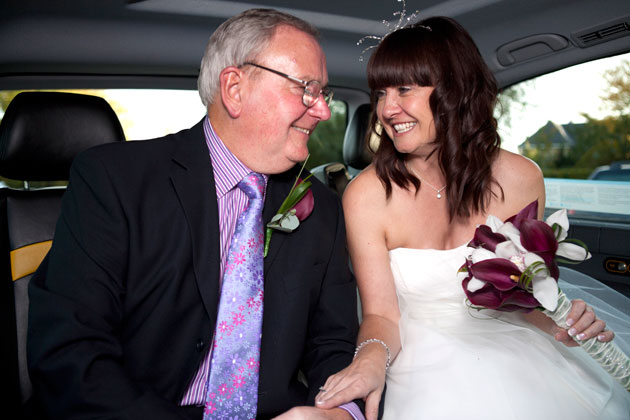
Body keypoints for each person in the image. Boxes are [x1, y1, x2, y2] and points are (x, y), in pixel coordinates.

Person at [27, 9, 369, 420]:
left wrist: (342, 412)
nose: (322, 111)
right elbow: (72, 355)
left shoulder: (321, 207)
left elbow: (331, 344)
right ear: (235, 88)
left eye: (323, 93)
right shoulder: (114, 181)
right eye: (305, 89)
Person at [313, 16, 630, 420]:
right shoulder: (366, 196)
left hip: (518, 350)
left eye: (405, 89)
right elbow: (381, 315)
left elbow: (526, 297)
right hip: (420, 361)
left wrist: (557, 325)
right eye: (380, 93)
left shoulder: (521, 178)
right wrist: (370, 359)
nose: (388, 109)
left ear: (453, 90)